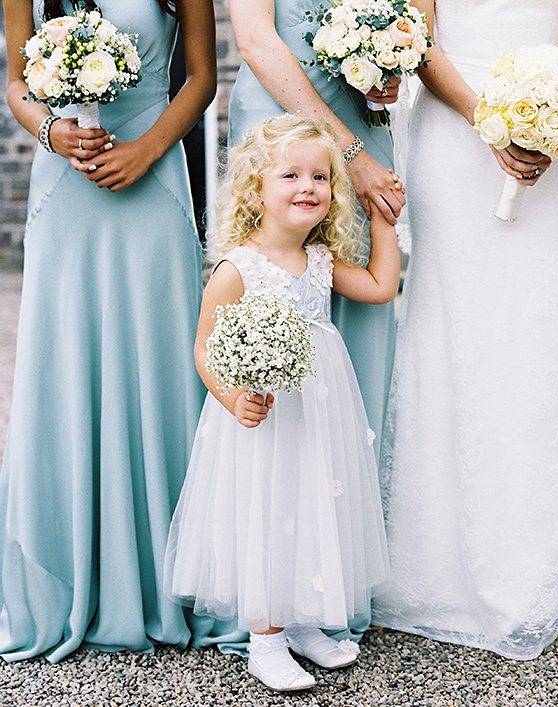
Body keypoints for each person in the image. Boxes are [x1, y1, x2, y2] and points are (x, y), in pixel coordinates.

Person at [370, 0, 558, 660]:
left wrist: (553, 119)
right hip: (455, 134)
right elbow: (419, 34)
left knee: (539, 340)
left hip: (552, 138)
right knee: (455, 331)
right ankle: (436, 567)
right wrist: (488, 119)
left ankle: (537, 566)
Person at [0, 0, 238, 662]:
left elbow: (200, 78)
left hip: (151, 172)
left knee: (159, 365)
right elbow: (16, 84)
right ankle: (62, 577)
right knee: (65, 365)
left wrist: (146, 150)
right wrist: (51, 132)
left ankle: (170, 579)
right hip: (66, 185)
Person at [164, 113, 399, 691]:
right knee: (266, 511)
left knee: (314, 502)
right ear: (257, 188)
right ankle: (264, 639)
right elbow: (204, 347)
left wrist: (383, 221)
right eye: (290, 175)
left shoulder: (320, 262)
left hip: (318, 414)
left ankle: (303, 623)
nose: (308, 187)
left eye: (319, 177)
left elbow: (378, 287)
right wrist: (232, 398)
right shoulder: (237, 269)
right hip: (261, 420)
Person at [227, 0, 403, 468]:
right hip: (281, 119)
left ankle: (351, 488)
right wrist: (352, 155)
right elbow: (256, 40)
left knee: (359, 321)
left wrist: (391, 62)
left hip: (364, 115)